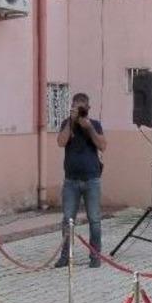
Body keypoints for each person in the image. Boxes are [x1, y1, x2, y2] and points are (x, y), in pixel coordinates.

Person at [54, 93, 108, 269]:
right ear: (72, 107)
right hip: (71, 181)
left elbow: (103, 146)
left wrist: (89, 128)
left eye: (82, 108)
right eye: (77, 108)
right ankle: (65, 256)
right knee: (68, 220)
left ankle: (95, 256)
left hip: (92, 180)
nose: (80, 111)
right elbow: (61, 142)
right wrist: (71, 121)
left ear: (88, 108)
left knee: (94, 220)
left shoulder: (95, 124)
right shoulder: (67, 123)